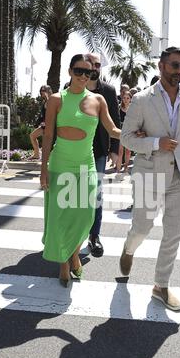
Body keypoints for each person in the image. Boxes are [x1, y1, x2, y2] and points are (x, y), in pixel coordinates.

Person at [119, 46, 180, 312]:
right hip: (148, 173)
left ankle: (161, 285)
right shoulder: (143, 100)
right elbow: (126, 137)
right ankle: (129, 249)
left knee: (173, 234)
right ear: (162, 65)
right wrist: (156, 142)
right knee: (142, 227)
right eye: (174, 65)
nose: (179, 71)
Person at [40, 54, 121, 286]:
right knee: (62, 215)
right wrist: (43, 169)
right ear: (69, 72)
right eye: (79, 71)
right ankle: (64, 262)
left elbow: (113, 129)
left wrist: (134, 134)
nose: (84, 76)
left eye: (89, 72)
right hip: (60, 163)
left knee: (85, 214)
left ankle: (75, 252)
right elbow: (47, 136)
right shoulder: (57, 99)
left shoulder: (98, 100)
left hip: (86, 163)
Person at [85, 52, 121, 257]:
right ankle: (75, 235)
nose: (95, 67)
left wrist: (115, 150)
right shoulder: (71, 88)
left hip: (98, 151)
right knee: (75, 193)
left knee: (95, 194)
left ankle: (94, 236)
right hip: (74, 150)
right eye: (92, 64)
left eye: (98, 64)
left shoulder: (108, 90)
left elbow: (115, 120)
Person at [29, 85, 52, 160]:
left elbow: (52, 113)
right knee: (32, 136)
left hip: (51, 126)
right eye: (42, 91)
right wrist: (37, 123)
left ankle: (48, 158)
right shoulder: (45, 101)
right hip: (45, 126)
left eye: (44, 91)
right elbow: (42, 115)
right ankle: (36, 154)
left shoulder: (53, 100)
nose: (43, 93)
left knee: (48, 142)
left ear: (49, 91)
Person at [116, 90, 132, 173]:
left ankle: (126, 167)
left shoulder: (133, 109)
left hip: (129, 131)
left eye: (128, 98)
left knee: (128, 151)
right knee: (120, 150)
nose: (125, 100)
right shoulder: (119, 108)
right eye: (124, 98)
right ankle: (118, 169)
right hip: (120, 130)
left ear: (130, 99)